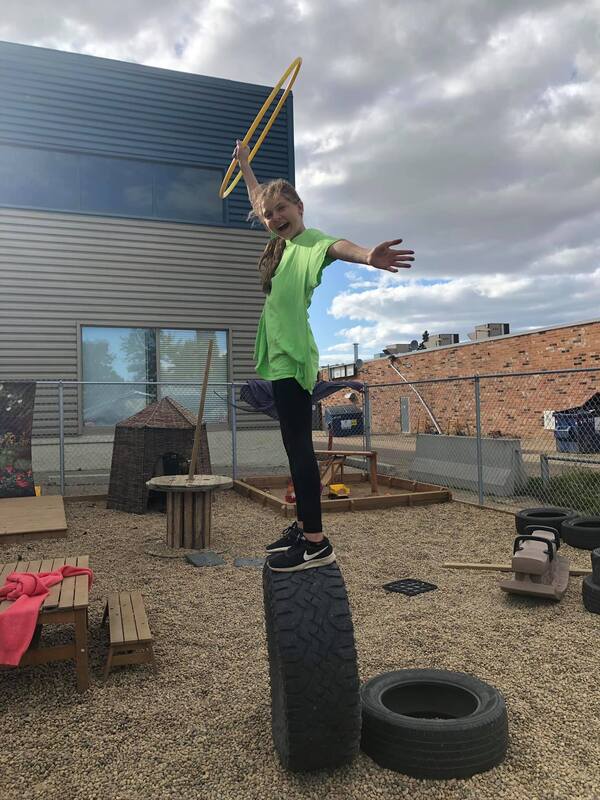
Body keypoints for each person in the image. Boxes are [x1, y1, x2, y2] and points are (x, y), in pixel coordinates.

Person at [233, 140, 414, 572]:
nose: (274, 217)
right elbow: (258, 197)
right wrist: (245, 165)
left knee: (299, 448)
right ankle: (303, 527)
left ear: (298, 205)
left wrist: (368, 256)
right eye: (268, 214)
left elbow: (338, 246)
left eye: (281, 209)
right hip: (277, 354)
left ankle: (316, 542)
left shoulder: (310, 242)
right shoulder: (281, 246)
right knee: (292, 447)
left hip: (293, 356)